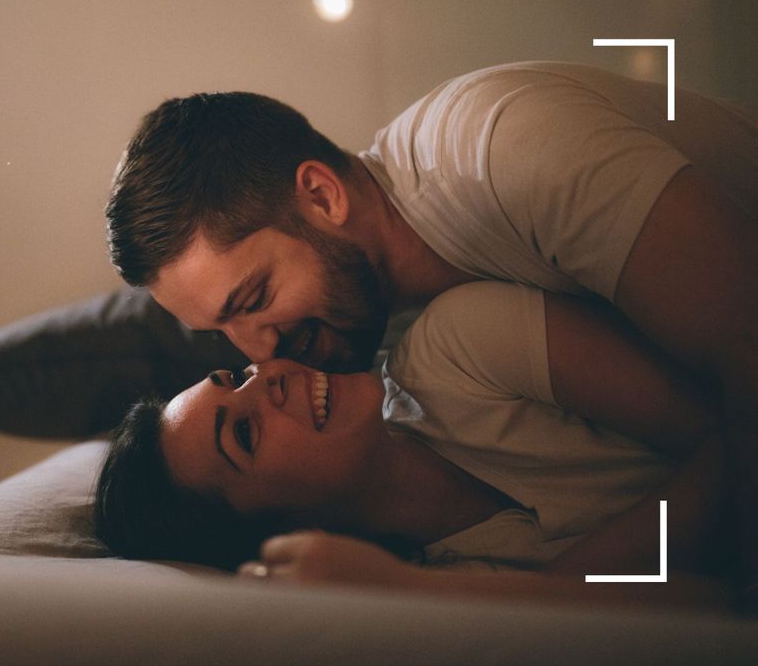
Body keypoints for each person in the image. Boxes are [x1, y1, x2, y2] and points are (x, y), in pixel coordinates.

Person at [103, 61, 758, 603]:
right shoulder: (375, 341)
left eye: (255, 298)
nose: (262, 353)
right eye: (224, 335)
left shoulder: (508, 151)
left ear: (324, 197)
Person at [94, 282, 732, 613]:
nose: (271, 375)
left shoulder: (460, 348)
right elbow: (707, 615)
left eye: (238, 378)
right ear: (286, 531)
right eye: (245, 433)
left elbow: (738, 425)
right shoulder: (440, 594)